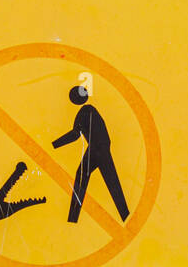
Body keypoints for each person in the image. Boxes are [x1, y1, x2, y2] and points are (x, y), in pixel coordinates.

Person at [52, 85, 132, 223]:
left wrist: (55, 144)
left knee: (95, 178)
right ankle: (124, 214)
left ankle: (73, 218)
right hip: (100, 148)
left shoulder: (86, 111)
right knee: (107, 180)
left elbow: (75, 134)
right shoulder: (89, 110)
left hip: (97, 149)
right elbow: (79, 134)